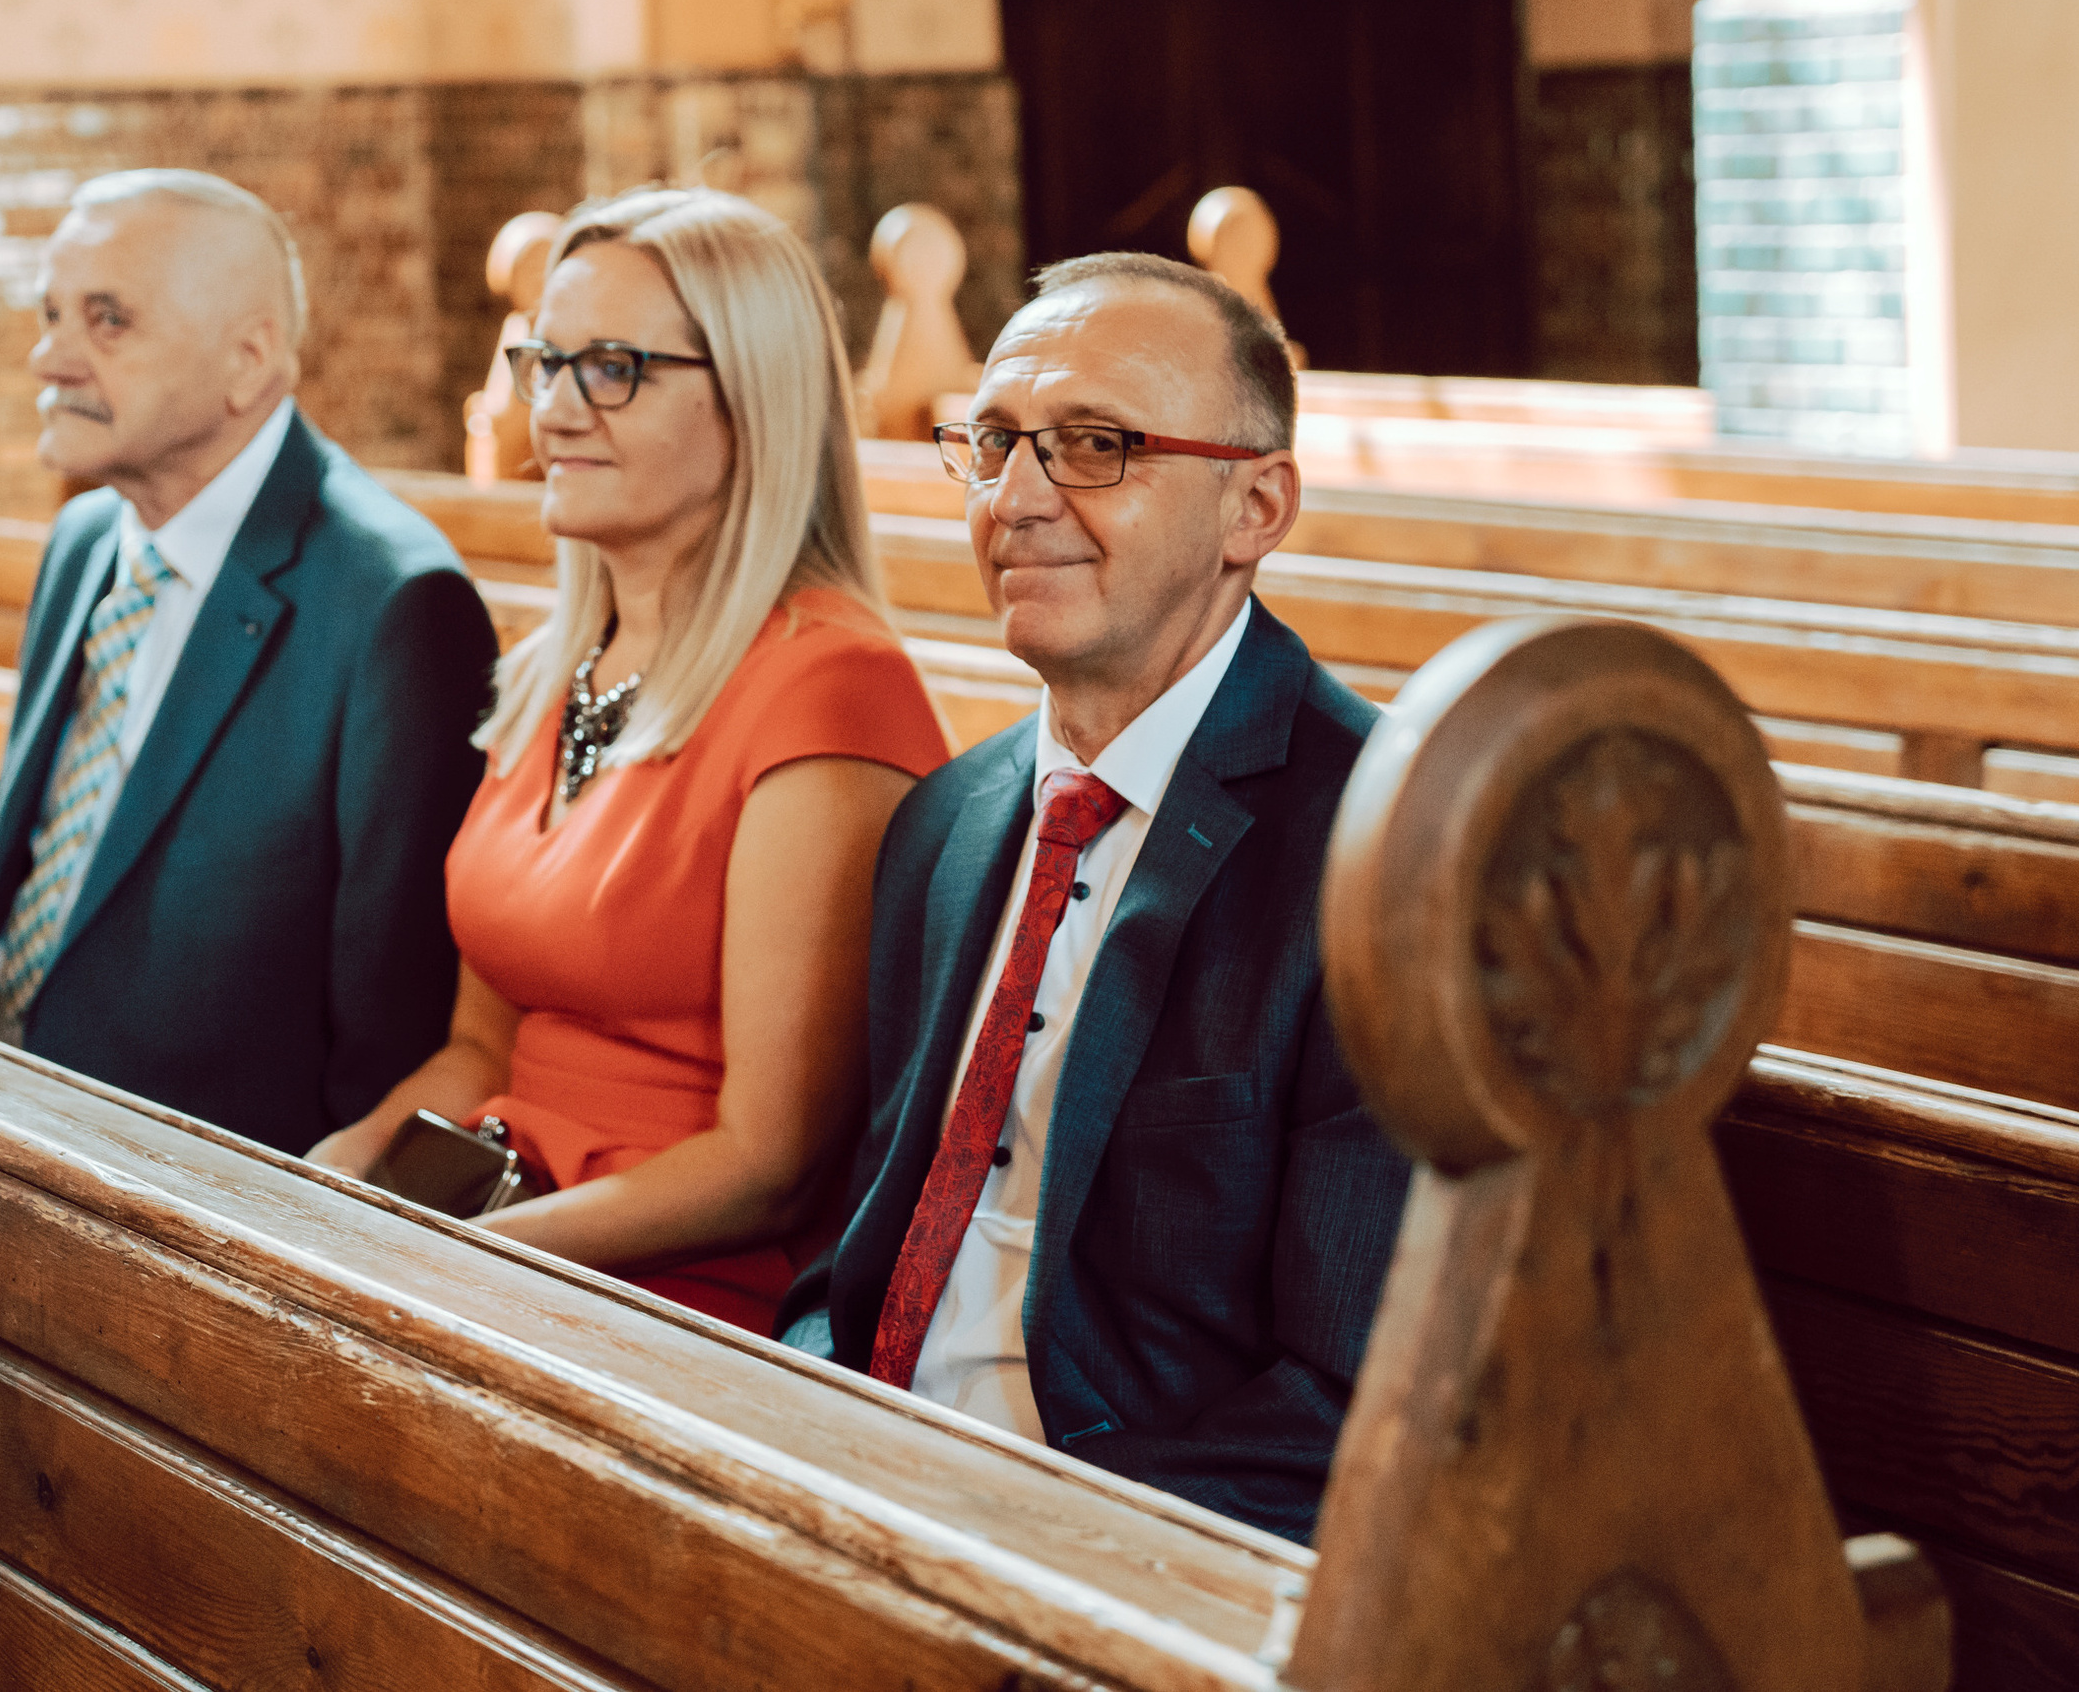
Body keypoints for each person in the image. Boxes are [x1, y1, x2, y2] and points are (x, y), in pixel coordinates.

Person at [776, 254, 1412, 1543]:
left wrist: (998, 1532)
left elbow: (1346, 1410)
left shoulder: (1378, 849)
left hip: (1127, 1551)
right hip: (863, 1490)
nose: (1014, 497)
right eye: (994, 441)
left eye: (1093, 445)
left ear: (1257, 507)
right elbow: (856, 1256)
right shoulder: (945, 822)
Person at [309, 189, 950, 1337]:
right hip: (506, 1221)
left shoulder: (830, 685)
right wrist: (336, 1178)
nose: (552, 409)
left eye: (611, 367)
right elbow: (479, 1049)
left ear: (753, 399)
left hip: (682, 1294)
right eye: (543, 362)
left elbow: (772, 1165)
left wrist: (455, 1255)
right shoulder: (550, 667)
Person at [0, 170, 496, 1157]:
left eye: (108, 321)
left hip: (203, 1189)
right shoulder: (85, 539)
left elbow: (388, 1038)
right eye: (52, 312)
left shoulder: (394, 605)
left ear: (248, 360)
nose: (49, 355)